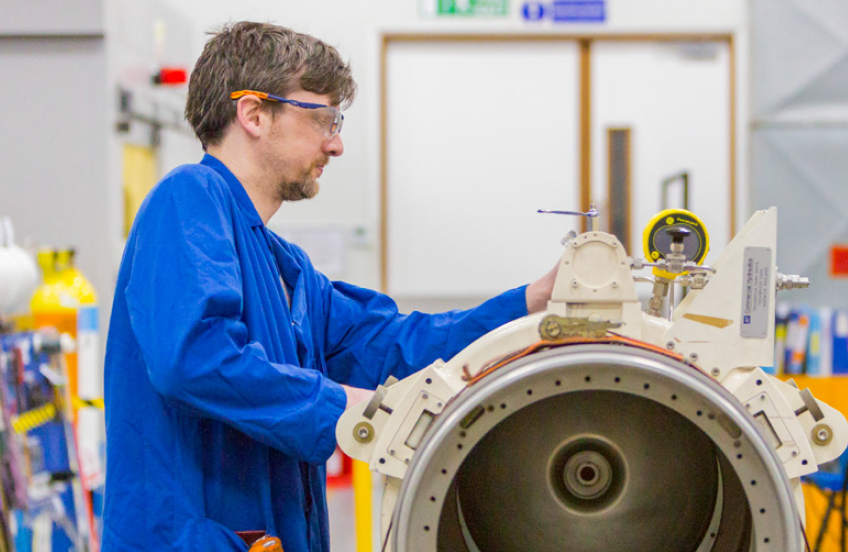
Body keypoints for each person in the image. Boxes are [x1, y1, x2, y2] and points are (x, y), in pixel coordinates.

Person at [102, 21, 556, 552]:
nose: (336, 144)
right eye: (323, 118)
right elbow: (194, 357)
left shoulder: (286, 269)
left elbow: (392, 344)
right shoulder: (187, 198)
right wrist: (343, 406)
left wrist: (531, 306)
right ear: (253, 114)